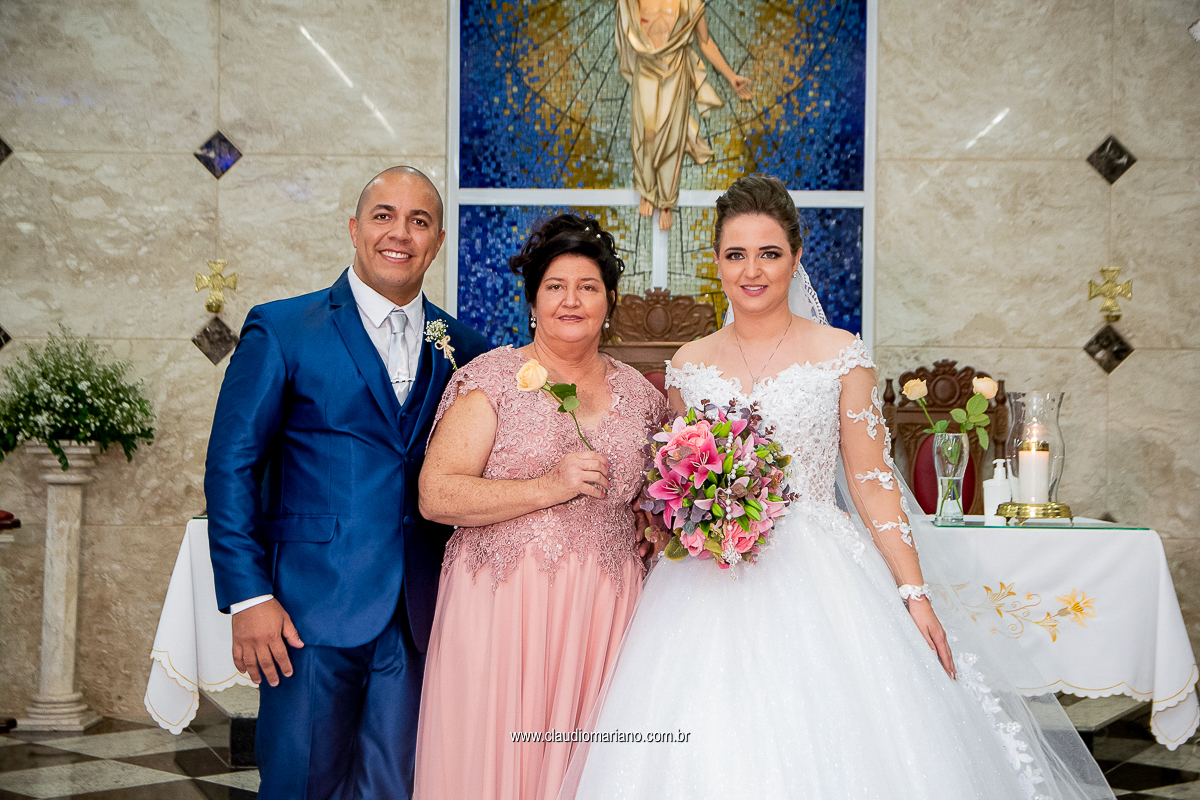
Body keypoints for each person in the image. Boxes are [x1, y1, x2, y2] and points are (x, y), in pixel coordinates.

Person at [562, 175, 1115, 799]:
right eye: (736, 254)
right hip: (707, 572)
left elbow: (873, 481)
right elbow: (677, 475)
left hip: (819, 564)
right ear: (715, 261)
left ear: (795, 258)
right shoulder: (689, 364)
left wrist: (913, 593)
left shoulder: (841, 354)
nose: (752, 271)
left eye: (769, 254)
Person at [204, 166, 488, 800]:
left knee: (397, 788)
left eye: (419, 221)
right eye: (384, 216)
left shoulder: (465, 347)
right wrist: (248, 598)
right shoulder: (283, 328)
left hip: (420, 614)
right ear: (354, 229)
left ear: (438, 241)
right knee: (301, 783)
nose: (400, 233)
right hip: (306, 611)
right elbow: (232, 466)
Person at [414, 213, 667, 800]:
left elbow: (657, 497)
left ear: (610, 301)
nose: (571, 300)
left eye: (588, 287)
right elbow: (436, 494)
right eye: (555, 286)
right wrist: (547, 486)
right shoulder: (491, 379)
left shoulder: (644, 398)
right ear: (532, 301)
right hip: (504, 606)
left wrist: (655, 522)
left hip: (605, 611)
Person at [616, 0, 752, 230]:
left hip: (676, 67)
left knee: (673, 135)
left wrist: (732, 77)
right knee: (647, 132)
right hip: (646, 66)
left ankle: (666, 201)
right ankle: (647, 189)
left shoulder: (691, 2)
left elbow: (705, 42)